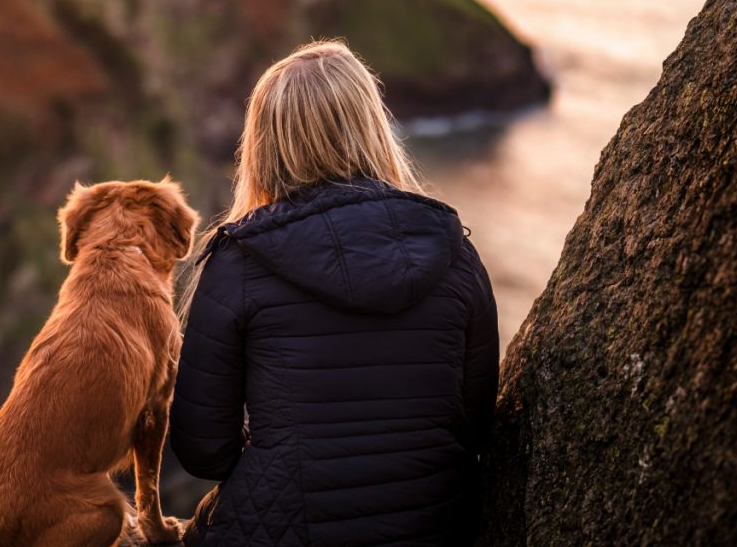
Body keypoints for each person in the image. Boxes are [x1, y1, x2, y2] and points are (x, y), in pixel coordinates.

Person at [169, 40, 500, 547]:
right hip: (433, 527)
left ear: (265, 144)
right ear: (372, 125)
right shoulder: (455, 254)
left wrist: (285, 451)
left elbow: (203, 451)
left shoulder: (239, 262)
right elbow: (474, 428)